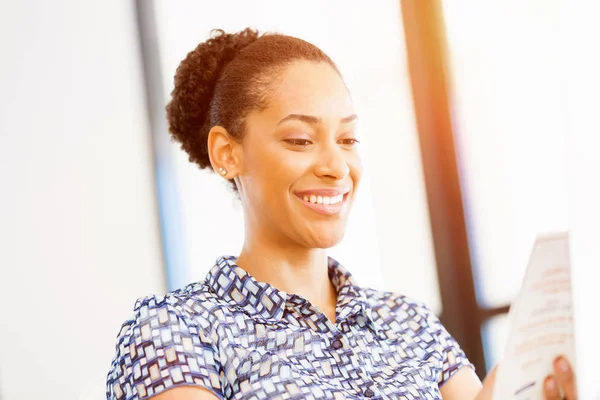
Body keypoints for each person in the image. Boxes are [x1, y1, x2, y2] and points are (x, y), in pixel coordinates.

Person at [106, 28, 578, 400]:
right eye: (300, 140)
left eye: (348, 139)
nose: (336, 166)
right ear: (228, 153)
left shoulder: (406, 323)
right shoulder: (176, 333)